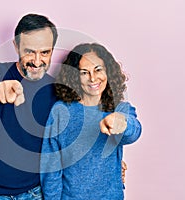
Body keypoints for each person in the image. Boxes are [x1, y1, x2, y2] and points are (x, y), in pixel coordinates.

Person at [0, 13, 127, 199]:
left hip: (35, 192)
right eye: (29, 51)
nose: (37, 60)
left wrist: (109, 166)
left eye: (45, 52)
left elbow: (73, 138)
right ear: (16, 46)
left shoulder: (57, 90)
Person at [40, 43, 142, 199]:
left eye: (98, 70)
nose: (93, 78)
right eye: (84, 72)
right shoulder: (61, 111)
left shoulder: (119, 108)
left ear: (108, 71)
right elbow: (51, 165)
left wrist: (122, 123)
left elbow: (133, 133)